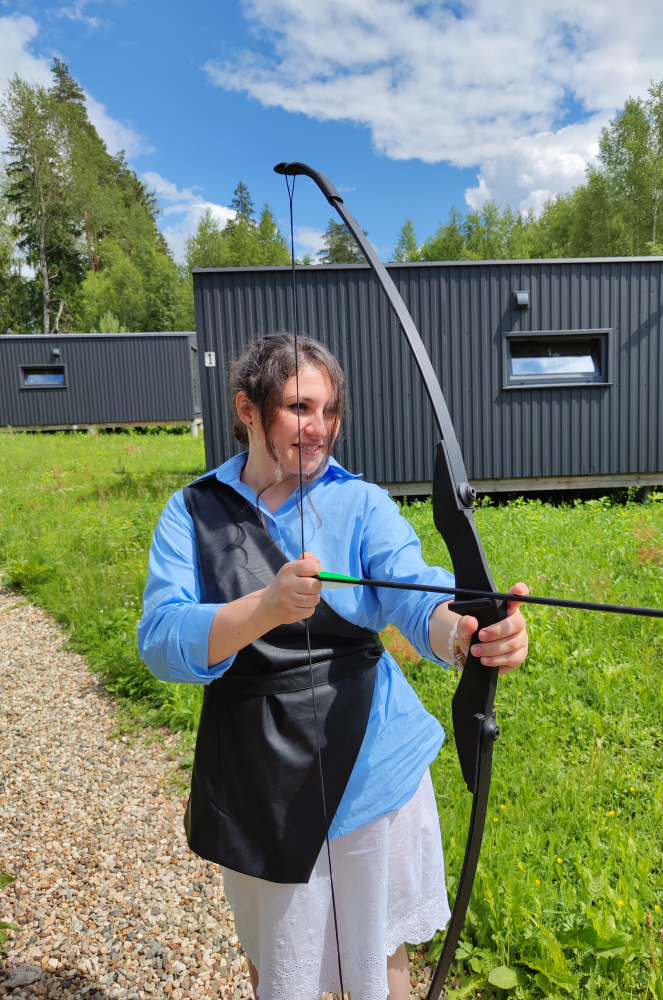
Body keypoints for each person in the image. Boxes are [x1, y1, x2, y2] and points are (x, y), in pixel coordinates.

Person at [138, 333, 529, 1000]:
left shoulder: (361, 502)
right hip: (257, 774)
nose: (318, 428)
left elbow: (415, 591)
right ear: (248, 409)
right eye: (299, 408)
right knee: (279, 961)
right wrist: (264, 607)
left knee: (378, 959)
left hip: (371, 768)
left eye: (330, 410)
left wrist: (470, 634)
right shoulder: (193, 512)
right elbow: (160, 638)